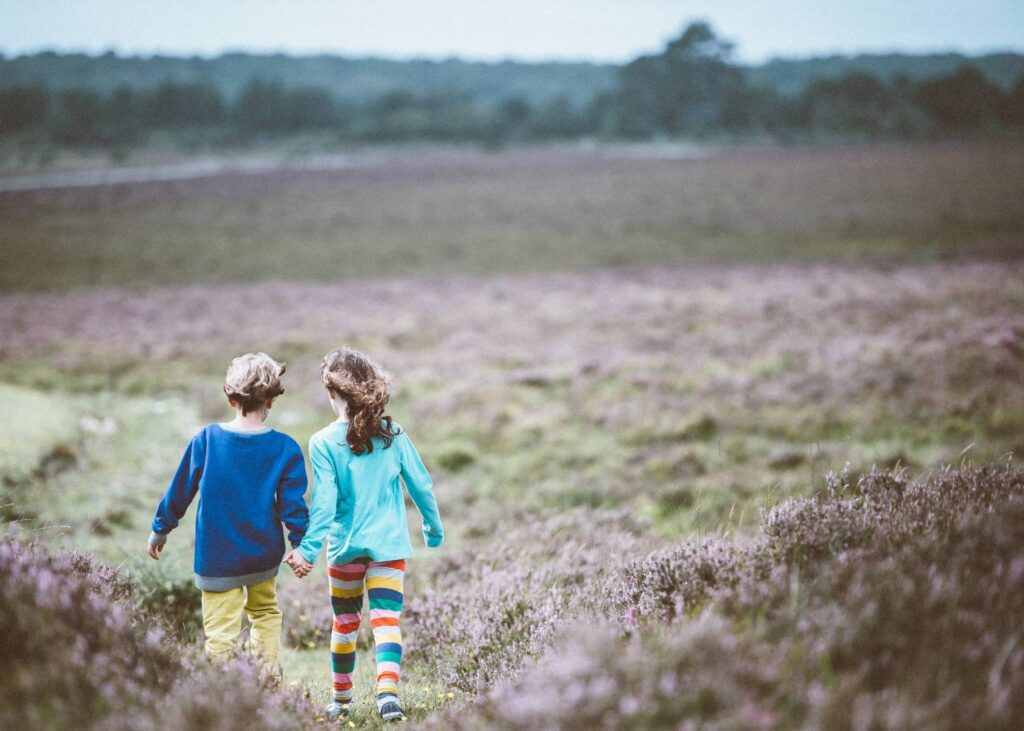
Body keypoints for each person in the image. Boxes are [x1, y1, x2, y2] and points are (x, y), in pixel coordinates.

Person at [286, 347, 443, 722]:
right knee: (386, 620)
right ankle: (388, 696)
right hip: (389, 548)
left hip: (344, 549)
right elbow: (421, 485)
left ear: (331, 393)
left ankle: (340, 702)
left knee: (345, 623)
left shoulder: (323, 441)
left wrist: (308, 550)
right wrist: (432, 528)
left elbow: (323, 504)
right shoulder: (393, 433)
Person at [147, 352, 309, 675]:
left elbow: (181, 489)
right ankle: (265, 681)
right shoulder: (285, 448)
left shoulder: (206, 440)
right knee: (265, 613)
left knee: (220, 633)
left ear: (230, 397)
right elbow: (293, 506)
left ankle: (226, 692)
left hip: (216, 558)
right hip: (264, 556)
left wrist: (161, 527)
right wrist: (300, 544)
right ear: (271, 401)